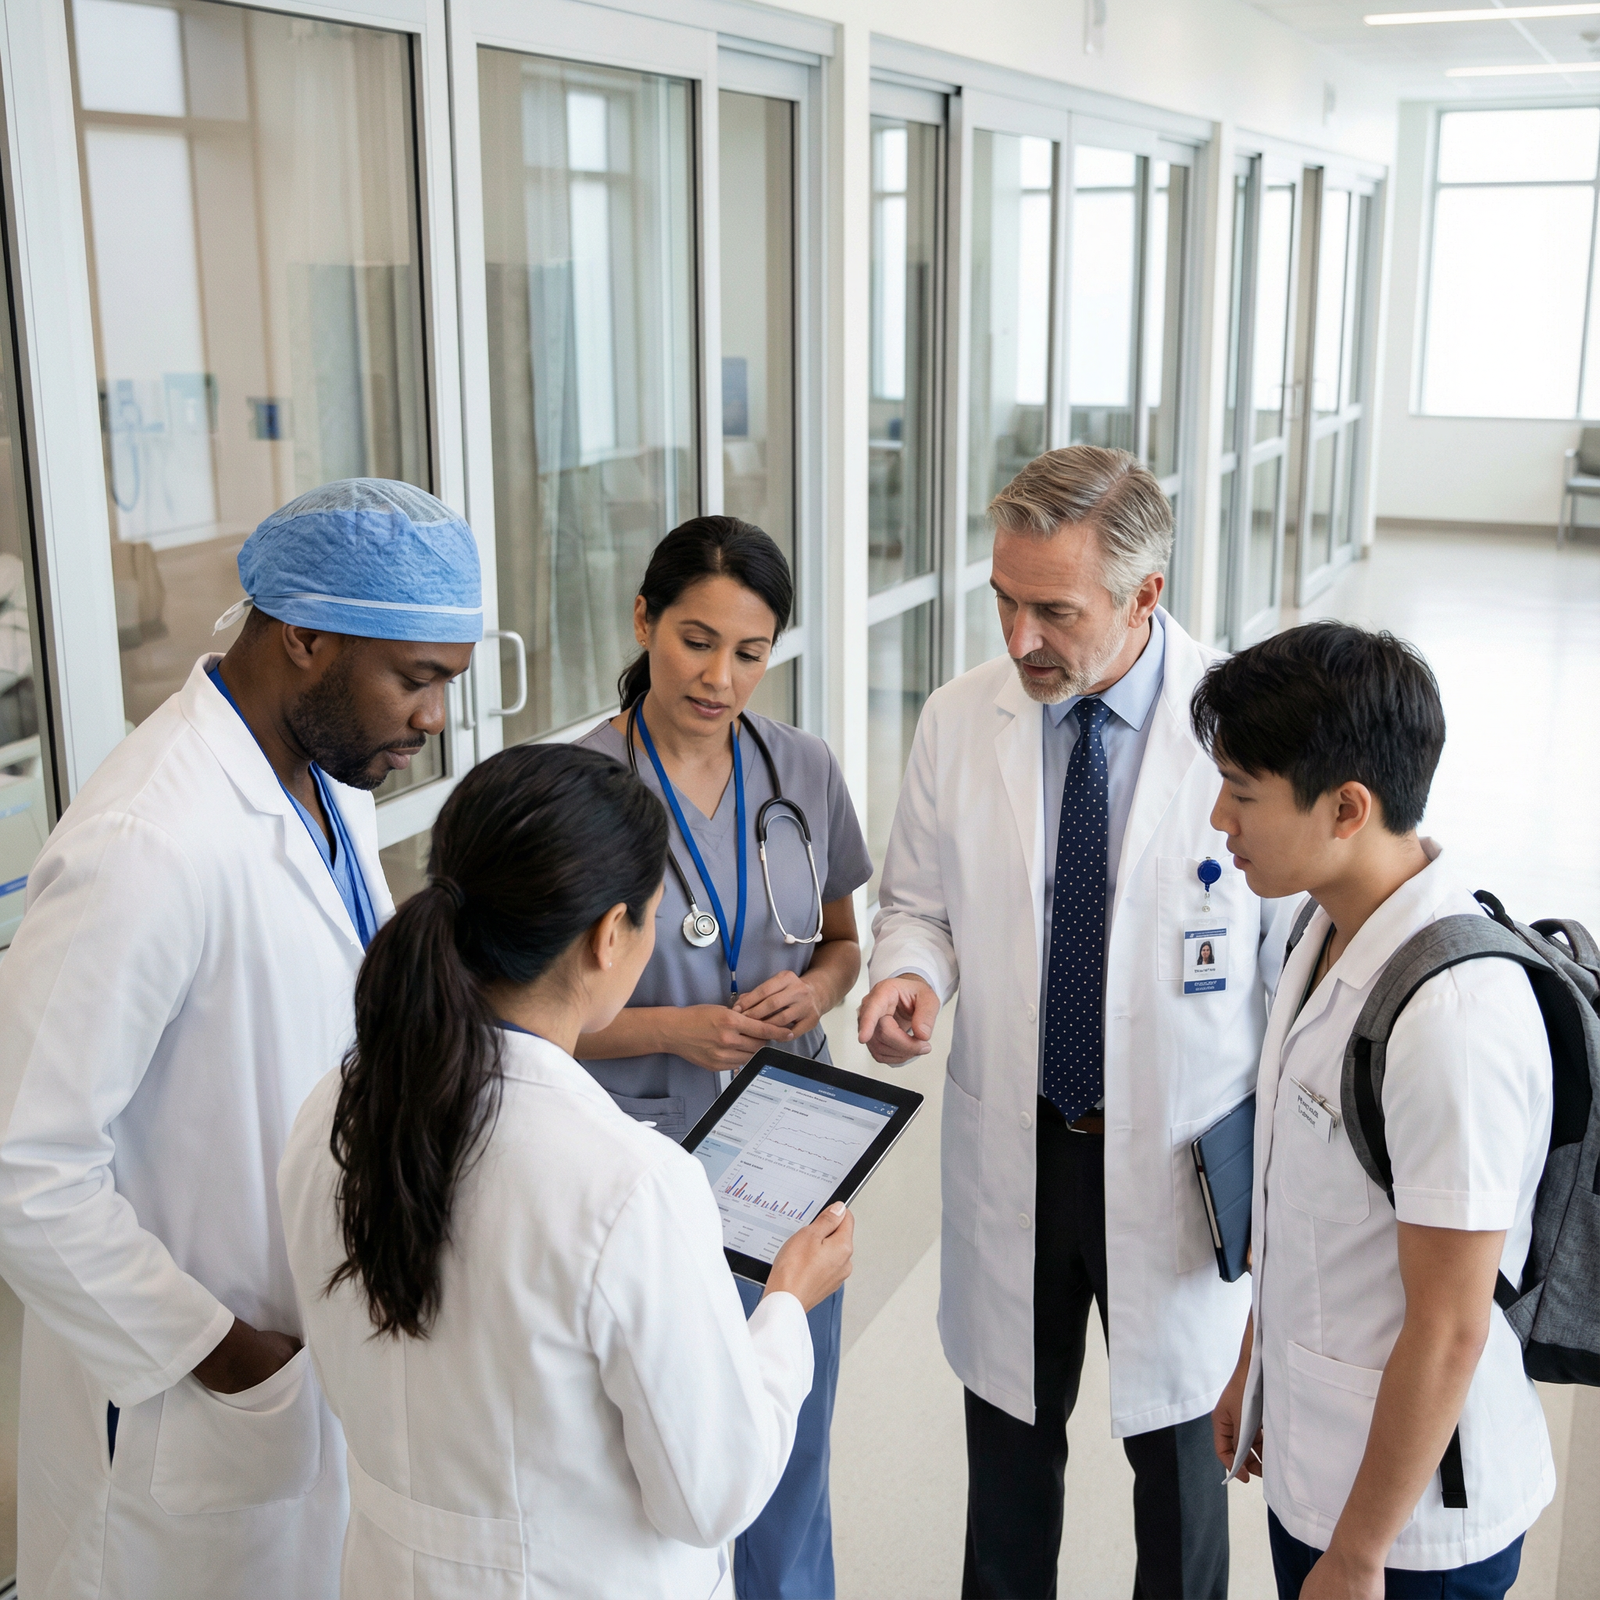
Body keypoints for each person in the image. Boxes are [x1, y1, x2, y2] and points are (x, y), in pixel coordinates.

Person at [0, 479, 480, 1599]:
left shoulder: (326, 780)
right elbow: (22, 1167)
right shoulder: (145, 842)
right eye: (415, 680)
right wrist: (230, 1356)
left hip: (315, 1356)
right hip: (200, 1400)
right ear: (304, 635)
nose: (433, 720)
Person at [858, 445, 1292, 1600]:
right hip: (1020, 1148)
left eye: (1053, 609)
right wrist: (911, 974)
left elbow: (1297, 971)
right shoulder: (960, 722)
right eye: (1002, 599)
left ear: (1146, 595)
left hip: (1181, 1161)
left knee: (1182, 1472)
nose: (1017, 639)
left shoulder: (1250, 731)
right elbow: (916, 905)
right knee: (1007, 1469)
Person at [278, 743, 855, 1599]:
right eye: (653, 917)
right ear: (607, 937)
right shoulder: (628, 1184)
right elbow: (713, 1494)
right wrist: (783, 1305)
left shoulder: (338, 1106)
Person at [1198, 624, 1554, 1600]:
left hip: (1409, 1534)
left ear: (1347, 806)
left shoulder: (1454, 1018)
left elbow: (1448, 1326)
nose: (1217, 815)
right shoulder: (1322, 925)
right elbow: (1302, 1201)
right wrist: (1252, 1368)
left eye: (1242, 789)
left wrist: (1357, 1555)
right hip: (1321, 1469)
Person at [575, 516, 873, 1600]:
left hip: (791, 1155)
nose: (720, 676)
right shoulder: (577, 788)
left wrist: (819, 986)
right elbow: (526, 1015)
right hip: (639, 1160)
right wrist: (672, 1029)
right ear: (645, 619)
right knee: (660, 1459)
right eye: (696, 640)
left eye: (750, 652)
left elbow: (843, 945)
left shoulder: (799, 766)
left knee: (791, 1447)